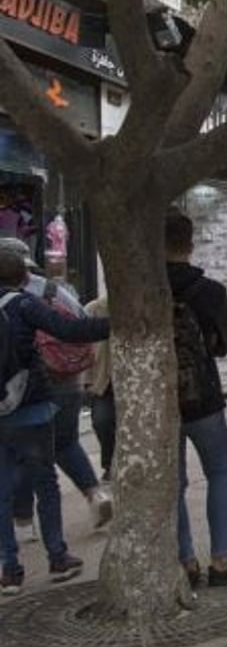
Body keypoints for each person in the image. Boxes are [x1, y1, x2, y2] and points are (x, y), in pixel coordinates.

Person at [0, 250, 109, 595]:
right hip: (31, 407)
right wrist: (117, 322)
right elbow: (70, 329)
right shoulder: (23, 305)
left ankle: (10, 571)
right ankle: (58, 558)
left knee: (2, 490)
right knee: (45, 482)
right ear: (22, 278)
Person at [166, 212, 227, 589]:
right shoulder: (210, 291)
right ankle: (220, 560)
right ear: (191, 243)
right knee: (218, 473)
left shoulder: (144, 285)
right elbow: (220, 348)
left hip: (160, 403)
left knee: (174, 484)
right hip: (203, 398)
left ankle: (186, 561)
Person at [83, 295, 115, 481]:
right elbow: (83, 345)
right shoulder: (95, 309)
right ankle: (110, 462)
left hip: (127, 376)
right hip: (103, 377)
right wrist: (87, 379)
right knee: (102, 421)